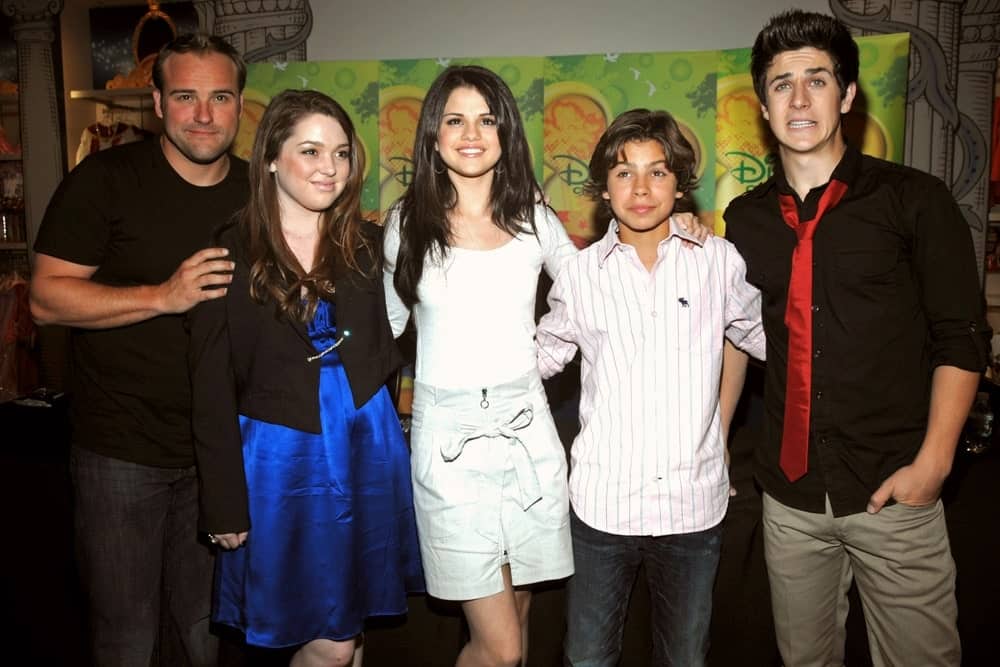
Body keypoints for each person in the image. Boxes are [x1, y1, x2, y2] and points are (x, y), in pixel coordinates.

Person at [724, 10, 991, 667]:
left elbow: (962, 337)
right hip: (787, 499)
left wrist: (932, 465)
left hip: (893, 491)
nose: (800, 97)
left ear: (846, 95)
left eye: (817, 80)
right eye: (782, 84)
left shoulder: (917, 201)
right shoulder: (745, 218)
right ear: (763, 104)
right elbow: (734, 335)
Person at [29, 33, 248, 666]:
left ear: (239, 105)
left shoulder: (258, 192)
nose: (203, 114)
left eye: (220, 97)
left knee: (206, 637)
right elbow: (45, 298)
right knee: (125, 636)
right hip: (120, 453)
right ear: (156, 103)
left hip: (220, 457)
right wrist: (162, 294)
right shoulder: (105, 180)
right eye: (185, 96)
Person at [188, 89, 423, 667]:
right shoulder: (229, 250)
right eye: (311, 151)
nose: (330, 168)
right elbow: (210, 385)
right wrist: (222, 505)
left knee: (352, 626)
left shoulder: (368, 245)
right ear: (271, 156)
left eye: (341, 154)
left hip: (366, 447)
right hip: (278, 460)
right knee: (331, 643)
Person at [535, 108, 765, 667]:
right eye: (623, 173)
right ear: (603, 187)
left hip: (693, 505)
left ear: (679, 183)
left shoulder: (718, 261)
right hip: (600, 508)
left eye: (657, 172)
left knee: (685, 658)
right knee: (587, 657)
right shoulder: (580, 276)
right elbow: (538, 360)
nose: (640, 188)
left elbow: (767, 341)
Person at [382, 64, 576, 667]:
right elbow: (384, 330)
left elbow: (592, 295)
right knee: (501, 646)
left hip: (528, 432)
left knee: (519, 625)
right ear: (434, 136)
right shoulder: (405, 224)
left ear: (506, 132)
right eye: (456, 119)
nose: (472, 133)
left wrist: (543, 358)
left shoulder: (535, 219)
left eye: (487, 119)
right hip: (447, 442)